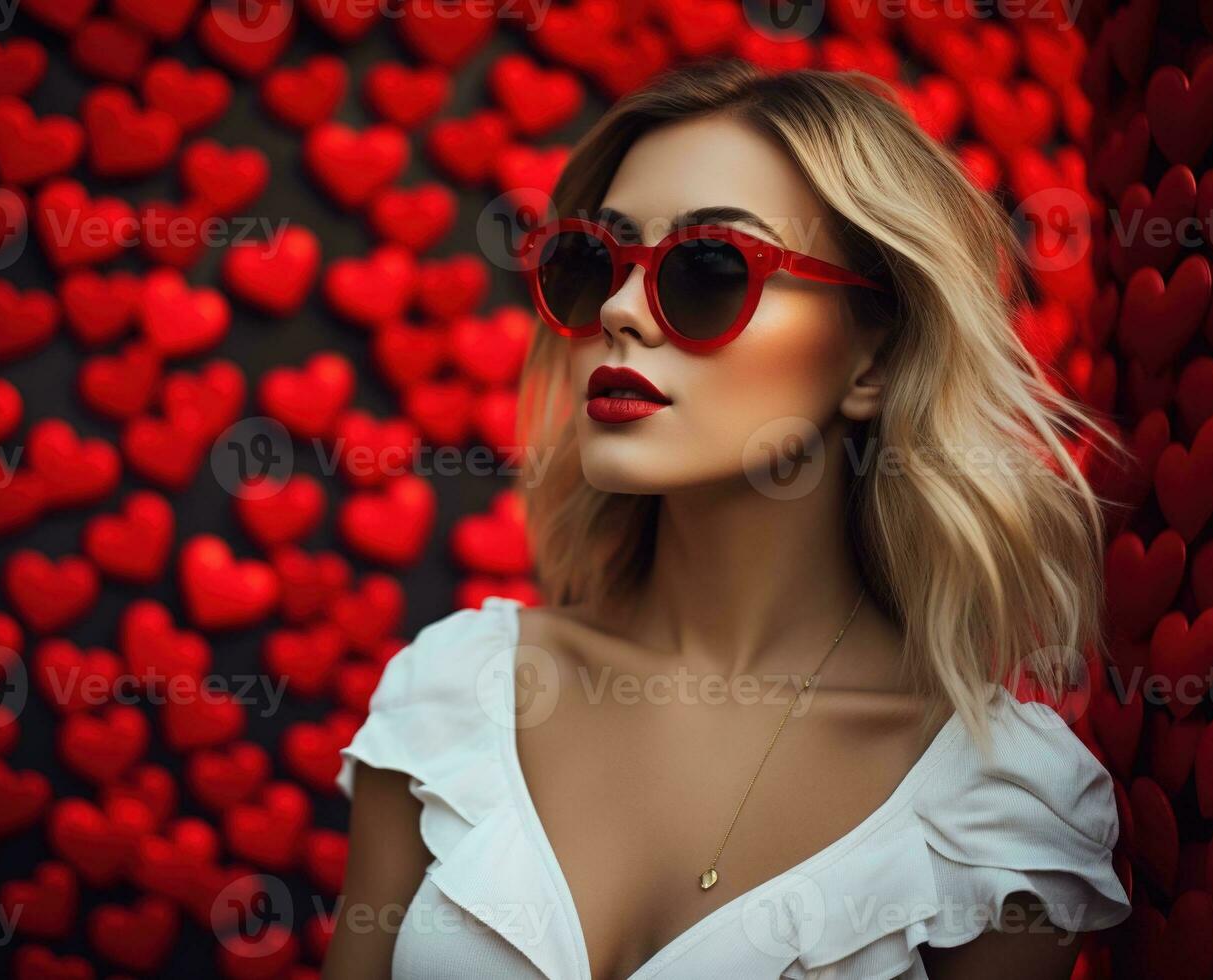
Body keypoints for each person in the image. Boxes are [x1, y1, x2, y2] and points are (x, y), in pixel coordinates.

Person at [325, 59, 1131, 980]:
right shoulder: (451, 699)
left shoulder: (993, 814)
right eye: (597, 264)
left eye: (708, 269)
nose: (622, 312)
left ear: (872, 358)